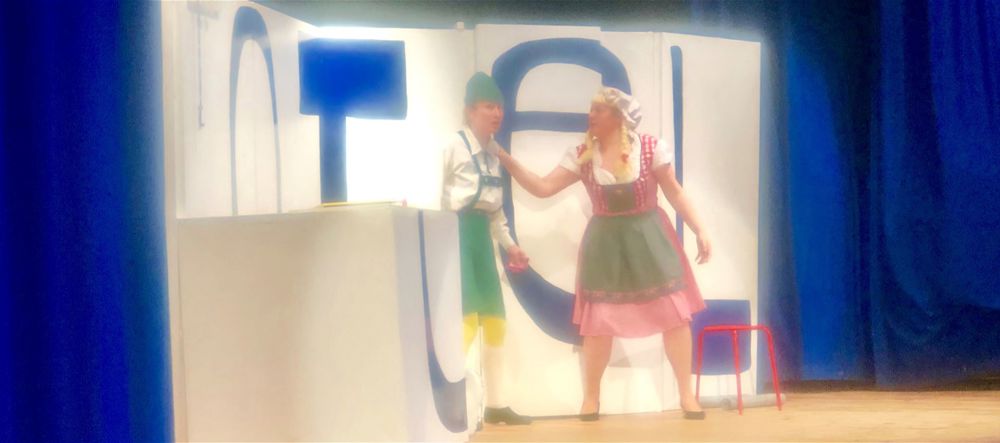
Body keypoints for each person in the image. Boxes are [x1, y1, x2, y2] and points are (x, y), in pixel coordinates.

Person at [495, 87, 711, 421]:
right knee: (598, 322)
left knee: (675, 314)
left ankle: (686, 394)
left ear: (619, 116)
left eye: (599, 109)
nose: (591, 115)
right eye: (592, 109)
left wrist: (700, 229)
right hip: (605, 245)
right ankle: (591, 397)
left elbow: (675, 193)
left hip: (650, 238)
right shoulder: (582, 155)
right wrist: (503, 157)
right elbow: (542, 187)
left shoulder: (649, 148)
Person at [440, 72, 532, 426]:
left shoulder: (493, 155)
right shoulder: (452, 146)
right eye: (489, 107)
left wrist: (511, 246)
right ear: (470, 111)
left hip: (482, 240)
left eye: (499, 107)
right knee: (463, 321)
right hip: (455, 237)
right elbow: (435, 196)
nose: (497, 113)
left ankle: (495, 404)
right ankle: (456, 405)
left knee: (494, 320)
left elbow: (495, 211)